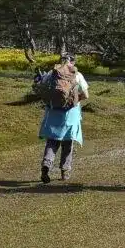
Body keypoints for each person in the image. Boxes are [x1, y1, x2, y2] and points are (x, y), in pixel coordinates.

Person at [36, 53, 89, 183]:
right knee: (67, 142)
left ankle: (46, 166)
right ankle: (65, 171)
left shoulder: (51, 74)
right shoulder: (77, 74)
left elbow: (42, 90)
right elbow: (86, 95)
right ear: (73, 62)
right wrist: (74, 101)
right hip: (71, 114)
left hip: (53, 112)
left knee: (52, 142)